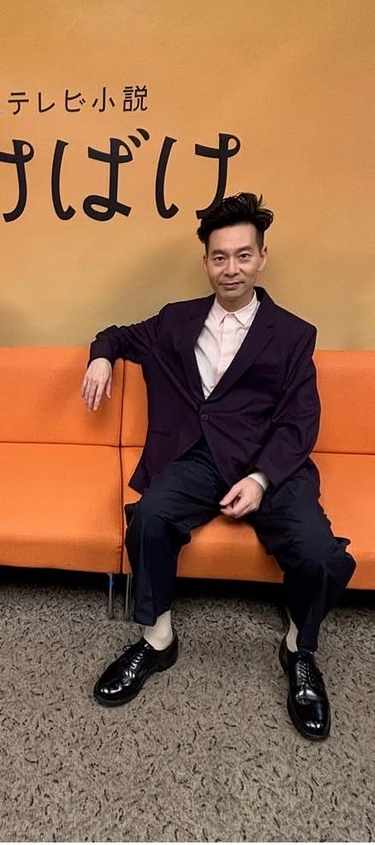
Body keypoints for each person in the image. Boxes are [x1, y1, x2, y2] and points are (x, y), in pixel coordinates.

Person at [81, 192, 355, 741]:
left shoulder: (293, 334)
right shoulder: (175, 321)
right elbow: (116, 334)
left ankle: (298, 649)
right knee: (150, 516)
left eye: (243, 255)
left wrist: (260, 479)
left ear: (262, 257)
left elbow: (300, 422)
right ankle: (157, 639)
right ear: (206, 261)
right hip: (199, 457)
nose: (231, 268)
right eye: (220, 257)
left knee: (320, 554)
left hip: (269, 462)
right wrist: (101, 357)